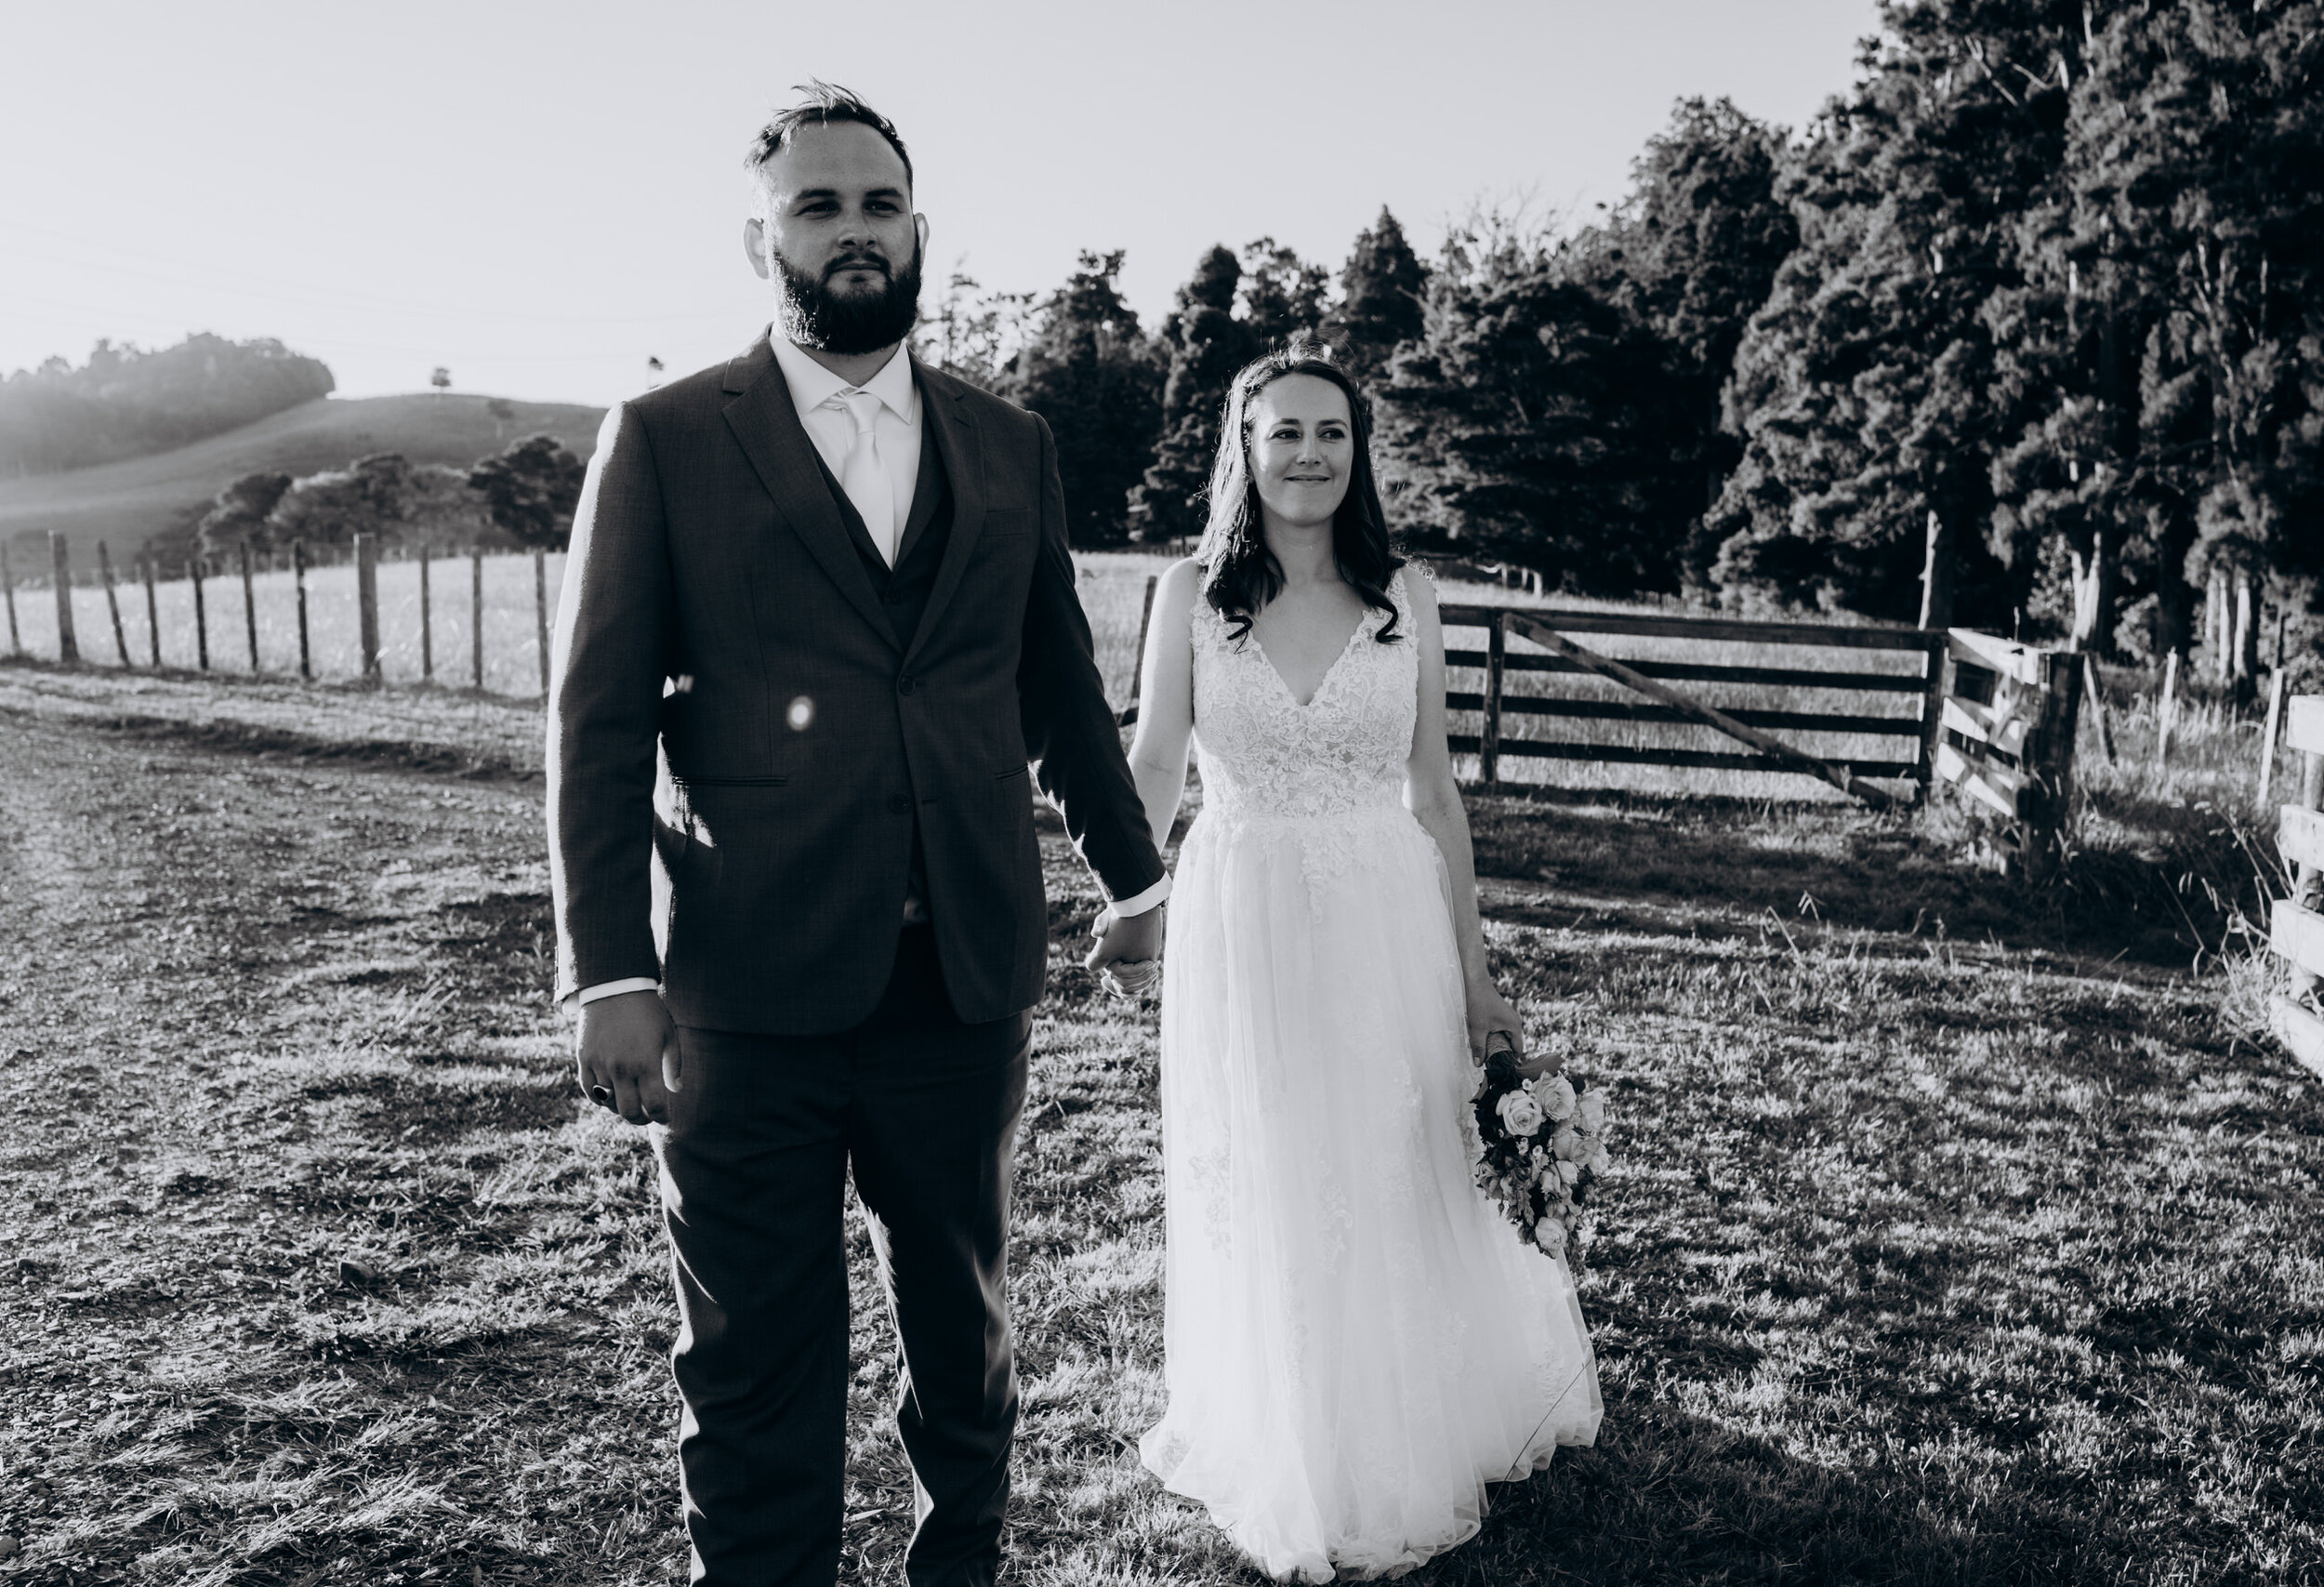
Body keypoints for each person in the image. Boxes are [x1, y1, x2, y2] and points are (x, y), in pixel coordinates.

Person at [546, 82, 1168, 1587]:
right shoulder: (667, 436)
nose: (853, 232)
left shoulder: (1007, 444)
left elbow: (1060, 693)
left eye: (878, 204)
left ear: (919, 229)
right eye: (818, 206)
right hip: (742, 987)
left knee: (966, 1335)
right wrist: (608, 969)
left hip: (960, 978)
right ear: (763, 238)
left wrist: (1138, 879)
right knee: (755, 1358)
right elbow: (599, 720)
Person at [1117, 343, 1602, 1580]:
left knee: (1390, 1154)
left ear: (1360, 449)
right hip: (1243, 910)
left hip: (1385, 908)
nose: (1308, 455)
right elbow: (1159, 762)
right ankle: (1289, 1420)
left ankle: (1415, 1412)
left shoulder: (1411, 594)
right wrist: (1133, 891)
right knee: (1270, 1154)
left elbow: (1433, 790)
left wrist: (1479, 977)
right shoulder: (1189, 593)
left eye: (1330, 433)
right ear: (1244, 448)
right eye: (1283, 433)